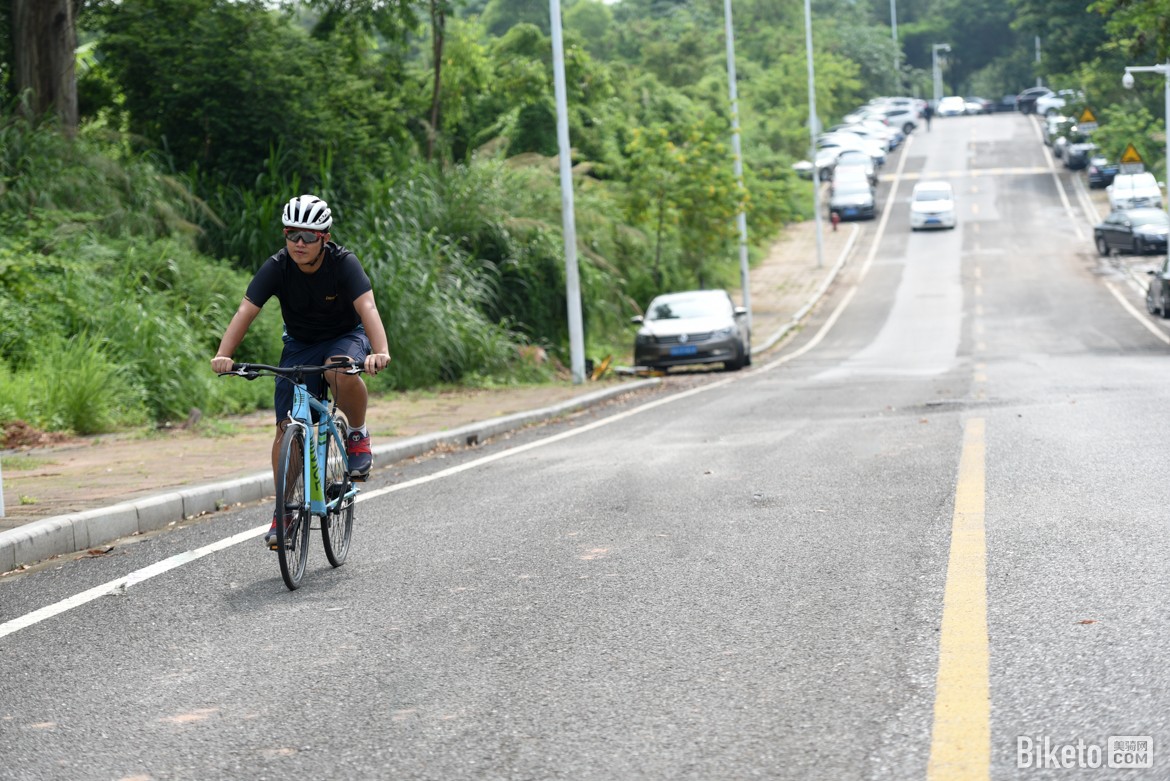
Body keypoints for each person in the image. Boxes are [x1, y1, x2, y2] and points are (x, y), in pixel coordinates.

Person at [210, 195, 391, 547]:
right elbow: (245, 311)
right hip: (299, 344)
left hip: (345, 337)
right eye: (292, 234)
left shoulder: (344, 263)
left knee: (338, 369)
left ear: (325, 238)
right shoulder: (277, 267)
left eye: (309, 236)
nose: (299, 243)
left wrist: (380, 351)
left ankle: (357, 432)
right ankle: (285, 511)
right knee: (286, 430)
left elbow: (367, 307)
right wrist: (223, 355)